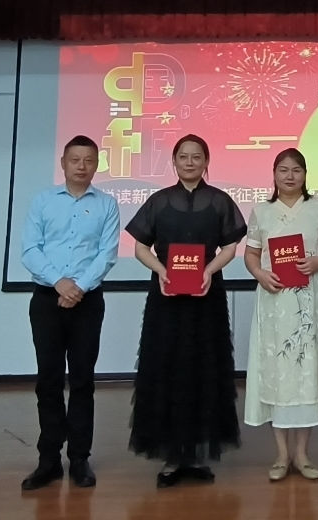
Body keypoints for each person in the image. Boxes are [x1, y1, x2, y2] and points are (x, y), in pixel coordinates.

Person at [125, 134, 246, 488]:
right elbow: (140, 247)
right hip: (166, 298)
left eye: (196, 157)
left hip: (207, 297)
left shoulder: (220, 201)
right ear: (174, 162)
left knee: (204, 369)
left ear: (206, 162)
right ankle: (171, 455)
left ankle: (195, 454)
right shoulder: (159, 201)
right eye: (183, 156)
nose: (190, 162)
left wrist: (208, 270)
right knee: (166, 368)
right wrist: (161, 270)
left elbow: (230, 246)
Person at [20, 135, 120, 490]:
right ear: (63, 163)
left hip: (87, 302)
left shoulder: (107, 204)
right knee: (48, 379)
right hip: (47, 300)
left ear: (97, 164)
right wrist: (60, 283)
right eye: (75, 160)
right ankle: (48, 459)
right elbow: (30, 250)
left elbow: (107, 253)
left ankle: (79, 458)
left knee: (82, 380)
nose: (81, 166)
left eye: (88, 160)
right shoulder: (43, 201)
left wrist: (78, 288)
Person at [243, 148, 318, 481]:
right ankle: (281, 455)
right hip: (274, 303)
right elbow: (251, 254)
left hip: (309, 303)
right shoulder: (262, 211)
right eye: (283, 170)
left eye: (296, 170)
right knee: (277, 373)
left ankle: (302, 454)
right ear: (274, 174)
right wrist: (260, 274)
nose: (289, 176)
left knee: (305, 372)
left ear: (305, 174)